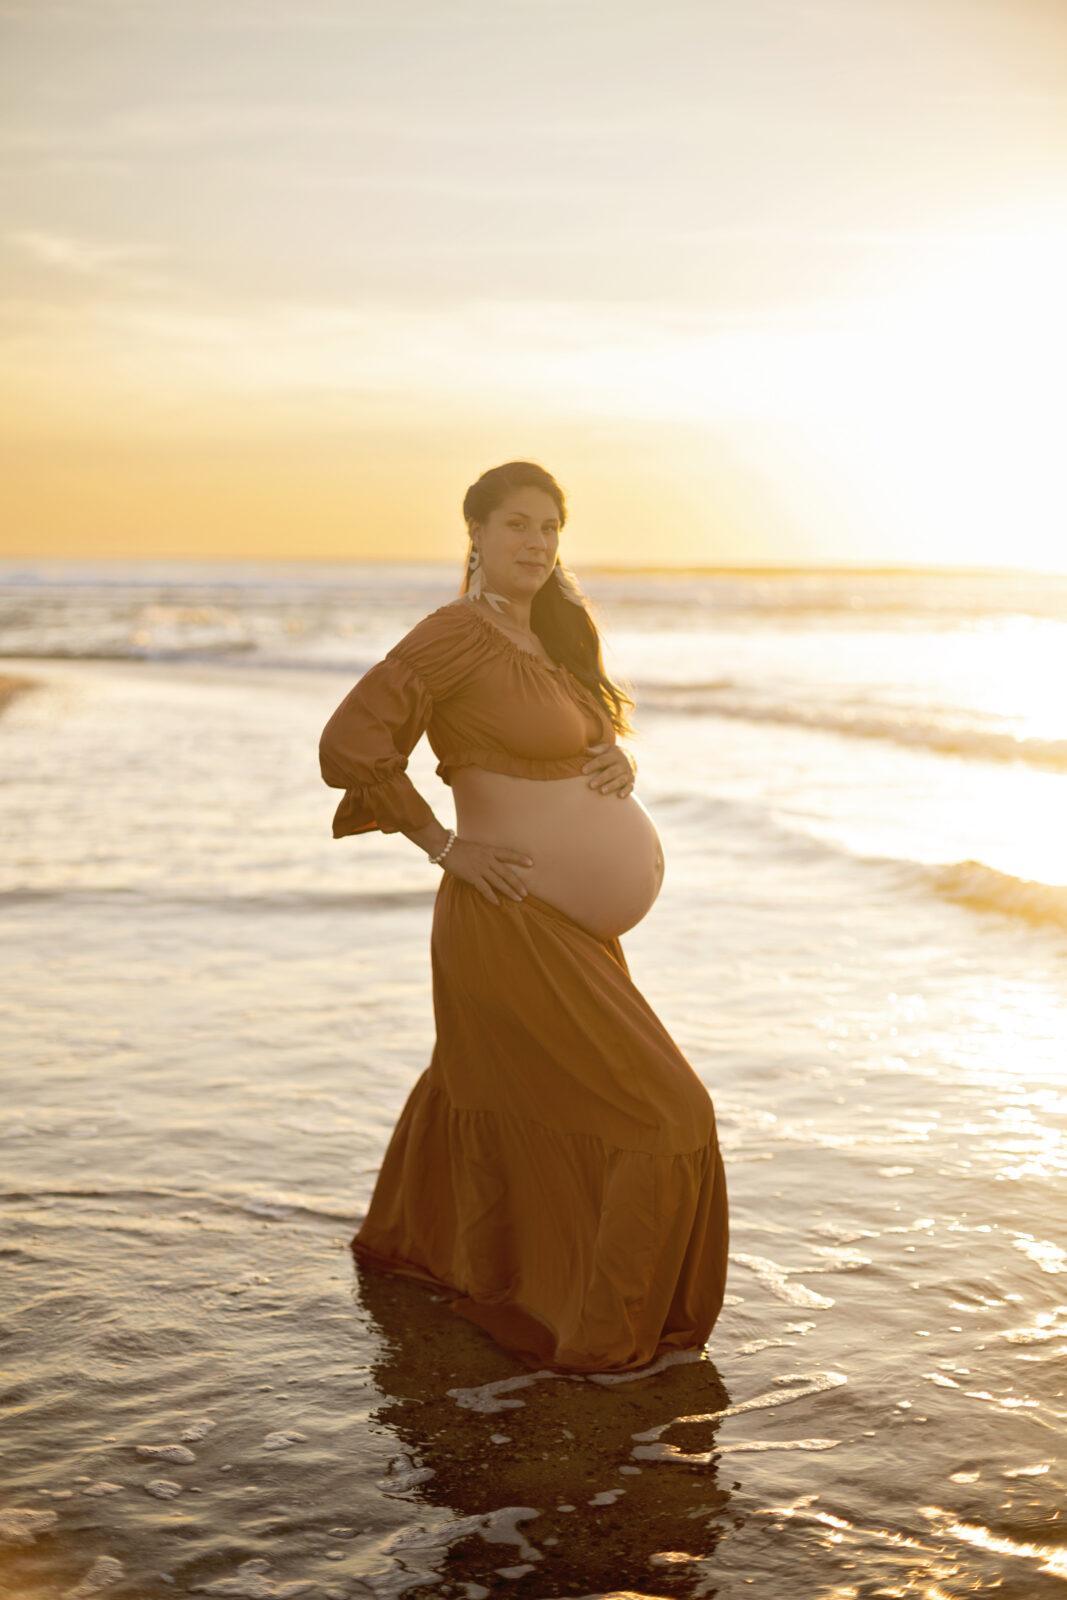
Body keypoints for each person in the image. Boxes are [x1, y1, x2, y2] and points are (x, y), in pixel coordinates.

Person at [318, 460, 729, 1373]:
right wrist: (438, 842)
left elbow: (559, 750)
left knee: (517, 1093)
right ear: (474, 532)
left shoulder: (551, 635)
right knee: (667, 1114)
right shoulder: (456, 632)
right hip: (507, 921)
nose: (537, 544)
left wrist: (616, 764)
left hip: (575, 933)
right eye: (516, 524)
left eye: (550, 527)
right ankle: (605, 1341)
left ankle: (455, 1265)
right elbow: (350, 743)